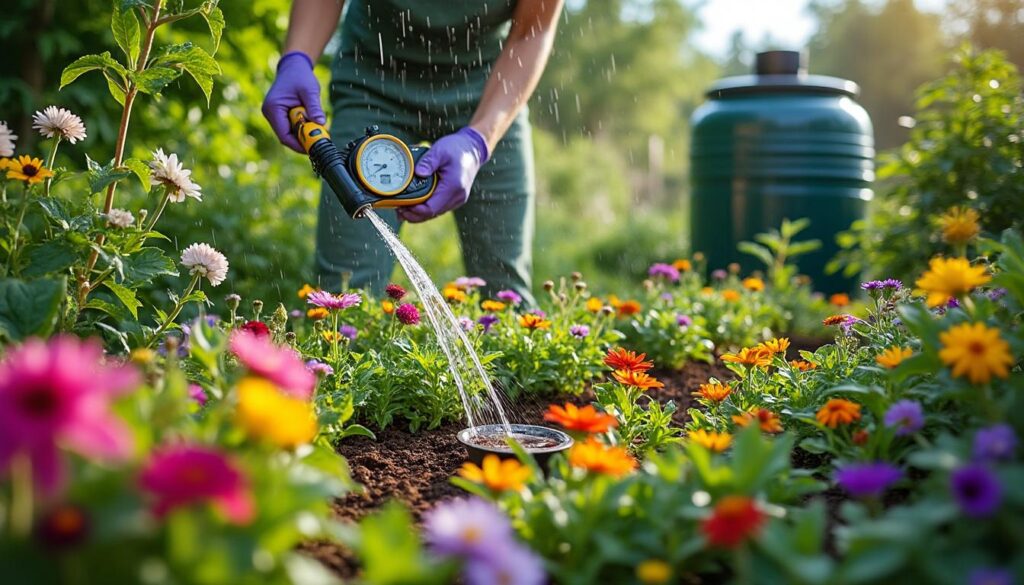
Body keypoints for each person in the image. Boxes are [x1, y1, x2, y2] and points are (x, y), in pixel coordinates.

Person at [262, 0, 564, 304]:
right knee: (346, 293)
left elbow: (532, 32)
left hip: (488, 90)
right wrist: (296, 59)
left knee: (505, 292)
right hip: (373, 82)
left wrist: (479, 141)